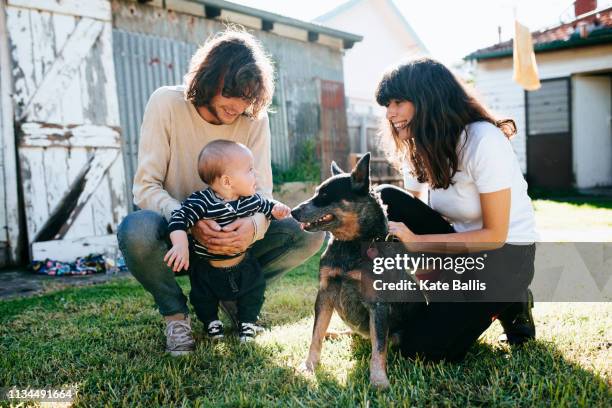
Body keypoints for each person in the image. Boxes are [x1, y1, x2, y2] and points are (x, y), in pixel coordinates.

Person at [117, 29, 324, 356]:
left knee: (308, 232)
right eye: (231, 92)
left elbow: (263, 189)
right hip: (179, 236)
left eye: (248, 95)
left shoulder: (253, 119)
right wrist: (186, 223)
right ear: (208, 77)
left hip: (235, 235)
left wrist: (252, 228)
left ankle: (237, 293)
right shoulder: (166, 103)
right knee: (135, 230)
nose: (239, 104)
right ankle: (176, 316)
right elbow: (145, 186)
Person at [374, 58, 538, 362]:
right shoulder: (422, 144)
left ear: (428, 98)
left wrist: (419, 243)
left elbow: (495, 236)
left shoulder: (482, 140)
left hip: (505, 255)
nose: (390, 113)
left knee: (420, 351)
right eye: (387, 104)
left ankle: (514, 300)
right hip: (459, 250)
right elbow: (411, 211)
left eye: (398, 101)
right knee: (385, 199)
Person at [165, 140, 292, 343]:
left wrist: (278, 209)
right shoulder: (201, 201)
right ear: (226, 182)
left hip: (243, 263)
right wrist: (180, 245)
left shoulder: (250, 199)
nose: (255, 175)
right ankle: (211, 323)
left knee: (254, 289)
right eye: (250, 170)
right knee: (202, 297)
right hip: (207, 267)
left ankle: (248, 322)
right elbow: (179, 219)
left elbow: (268, 205)